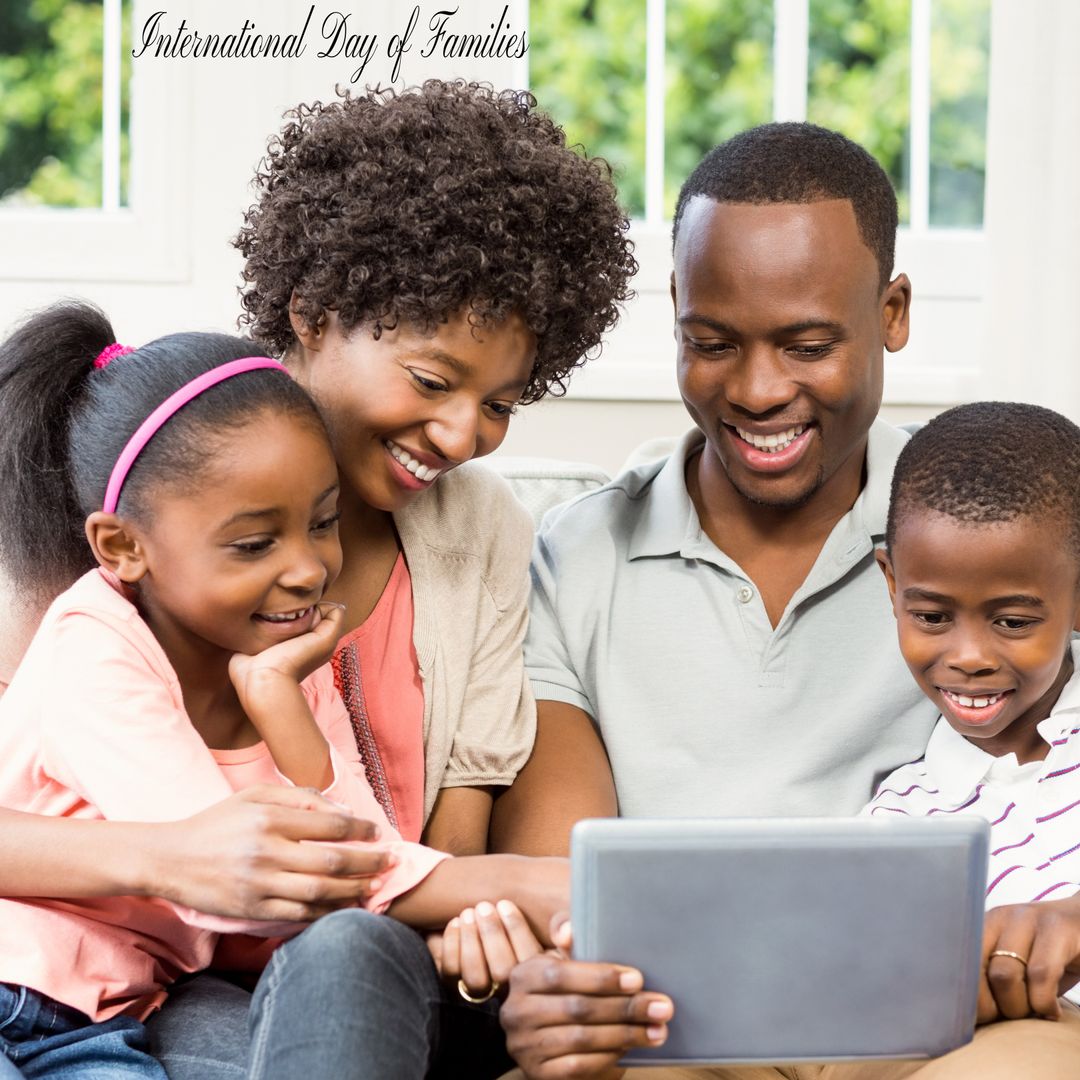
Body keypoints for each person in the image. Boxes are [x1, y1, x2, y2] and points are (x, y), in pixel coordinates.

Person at [0, 80, 634, 1075]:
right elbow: (219, 864)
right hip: (139, 983)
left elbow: (402, 849)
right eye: (432, 381)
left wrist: (496, 924)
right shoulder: (160, 469)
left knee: (351, 950)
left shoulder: (474, 539)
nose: (465, 435)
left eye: (503, 402)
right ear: (313, 309)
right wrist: (172, 858)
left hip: (354, 956)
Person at [493, 124, 1071, 1077]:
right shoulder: (579, 557)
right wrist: (557, 992)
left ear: (892, 311)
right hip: (679, 1036)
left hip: (948, 1036)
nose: (759, 392)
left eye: (807, 345)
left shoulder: (997, 520)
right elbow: (568, 895)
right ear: (675, 310)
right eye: (712, 343)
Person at [0, 300, 567, 1078]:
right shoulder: (92, 645)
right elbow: (229, 876)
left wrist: (277, 700)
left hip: (113, 1012)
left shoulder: (281, 658)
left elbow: (357, 839)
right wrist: (520, 884)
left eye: (324, 523)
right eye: (256, 543)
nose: (307, 569)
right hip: (19, 994)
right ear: (123, 546)